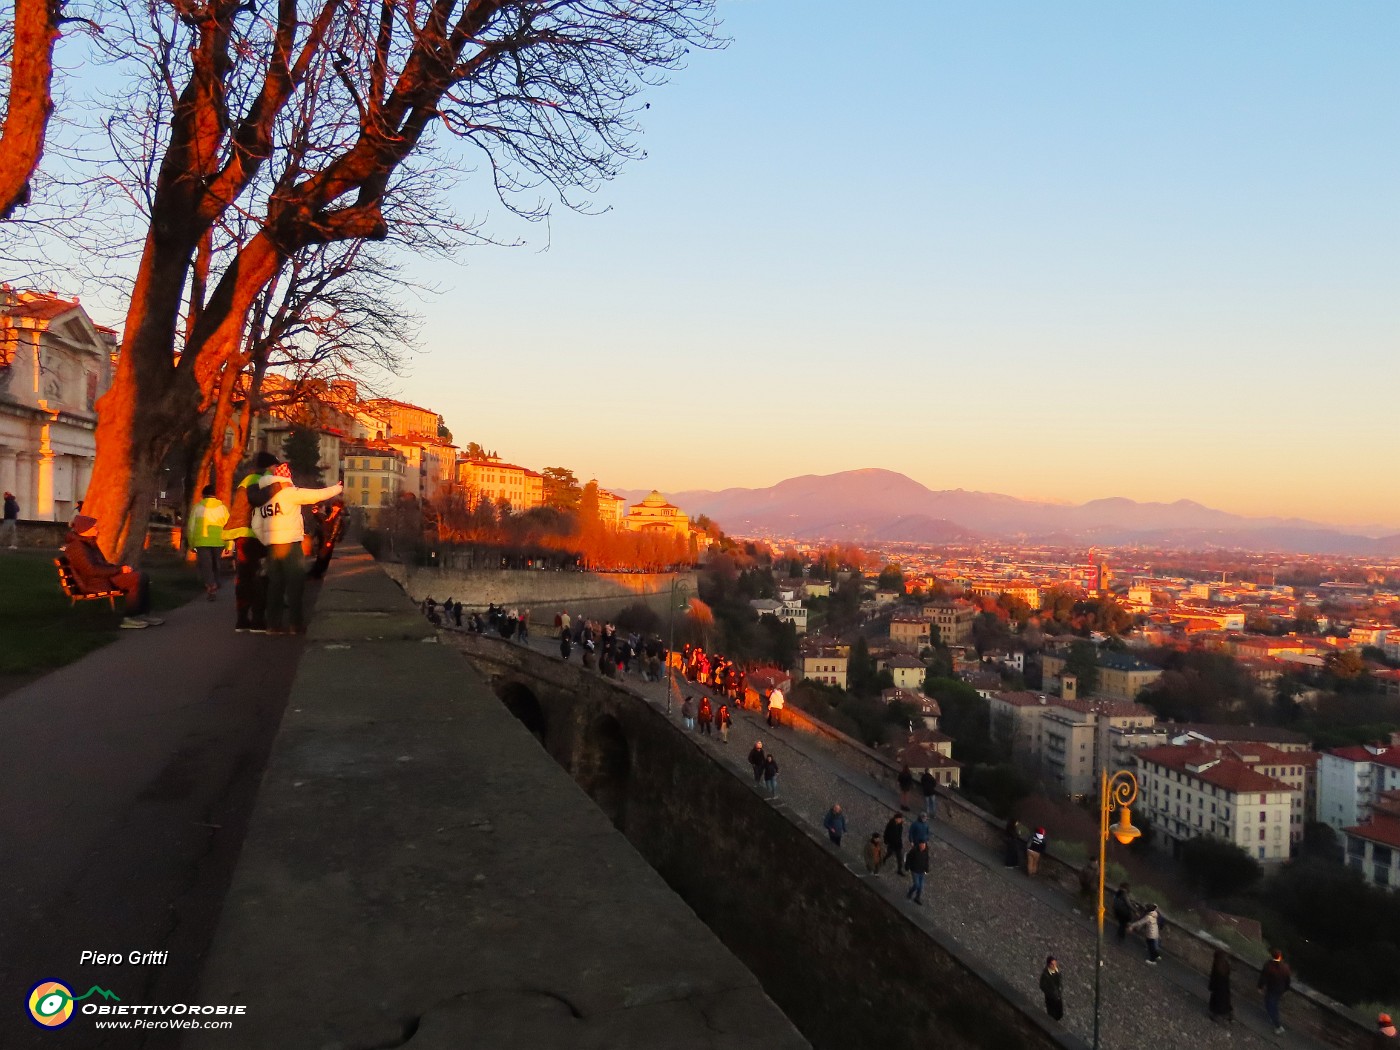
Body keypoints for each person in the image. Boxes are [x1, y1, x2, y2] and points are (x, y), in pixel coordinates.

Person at [252, 463, 342, 634]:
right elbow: (315, 496)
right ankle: (295, 624)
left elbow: (256, 524)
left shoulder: (264, 497)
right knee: (295, 583)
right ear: (287, 478)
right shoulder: (288, 493)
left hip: (272, 546)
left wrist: (266, 540)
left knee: (274, 585)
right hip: (290, 544)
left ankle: (273, 625)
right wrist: (337, 489)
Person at [63, 514, 164, 629]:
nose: (97, 530)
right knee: (137, 578)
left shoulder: (88, 544)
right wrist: (119, 570)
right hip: (95, 582)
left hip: (102, 577)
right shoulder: (78, 547)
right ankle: (130, 617)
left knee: (142, 576)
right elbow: (91, 570)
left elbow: (102, 565)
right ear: (85, 529)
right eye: (94, 527)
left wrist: (121, 569)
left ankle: (142, 614)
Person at [224, 452, 278, 632]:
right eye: (274, 467)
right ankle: (257, 620)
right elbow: (258, 499)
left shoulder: (247, 479)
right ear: (270, 466)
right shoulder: (261, 479)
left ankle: (241, 620)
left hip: (242, 534)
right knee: (259, 578)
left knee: (243, 578)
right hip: (253, 535)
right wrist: (275, 483)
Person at [188, 485, 229, 600]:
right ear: (215, 495)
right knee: (216, 564)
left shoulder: (197, 508)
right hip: (219, 541)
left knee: (206, 565)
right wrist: (229, 544)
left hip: (202, 541)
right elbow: (229, 527)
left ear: (203, 495)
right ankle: (216, 582)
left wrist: (191, 543)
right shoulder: (222, 508)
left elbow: (191, 527)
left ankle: (211, 587)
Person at [306, 498, 345, 579]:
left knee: (323, 557)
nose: (333, 507)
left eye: (335, 506)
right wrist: (317, 514)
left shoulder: (338, 516)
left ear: (338, 507)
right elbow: (325, 521)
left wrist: (330, 541)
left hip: (328, 539)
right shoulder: (332, 514)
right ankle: (316, 572)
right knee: (321, 556)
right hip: (324, 538)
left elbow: (335, 529)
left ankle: (317, 573)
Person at [1258, 948, 1292, 1035]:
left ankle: (1277, 1025)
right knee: (1274, 1004)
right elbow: (1288, 980)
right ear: (1280, 957)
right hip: (1280, 990)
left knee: (1269, 1005)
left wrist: (1260, 987)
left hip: (1272, 989)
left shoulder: (1268, 965)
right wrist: (1286, 989)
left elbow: (1263, 978)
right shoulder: (1285, 967)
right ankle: (1274, 1018)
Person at [1208, 949, 1233, 1026]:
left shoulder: (1217, 966)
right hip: (1224, 989)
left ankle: (1217, 1015)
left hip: (1218, 989)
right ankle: (1227, 1014)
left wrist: (1211, 986)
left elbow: (1214, 977)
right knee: (1224, 1001)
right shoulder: (1225, 966)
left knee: (1217, 1002)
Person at [905, 840, 930, 905]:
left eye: (924, 845)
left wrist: (926, 869)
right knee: (916, 884)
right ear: (919, 845)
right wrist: (907, 866)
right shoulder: (914, 851)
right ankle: (910, 892)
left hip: (921, 871)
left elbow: (926, 860)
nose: (923, 847)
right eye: (922, 845)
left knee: (921, 886)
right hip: (915, 870)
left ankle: (917, 897)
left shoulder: (926, 851)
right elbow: (908, 857)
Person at [1039, 956, 1064, 1021]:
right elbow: (1042, 986)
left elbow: (1059, 982)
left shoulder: (1057, 971)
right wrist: (1050, 993)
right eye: (1052, 964)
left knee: (1059, 1014)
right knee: (1052, 1015)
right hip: (1051, 998)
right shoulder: (1045, 975)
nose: (1054, 966)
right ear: (1048, 965)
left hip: (1058, 996)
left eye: (1055, 964)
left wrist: (1060, 989)